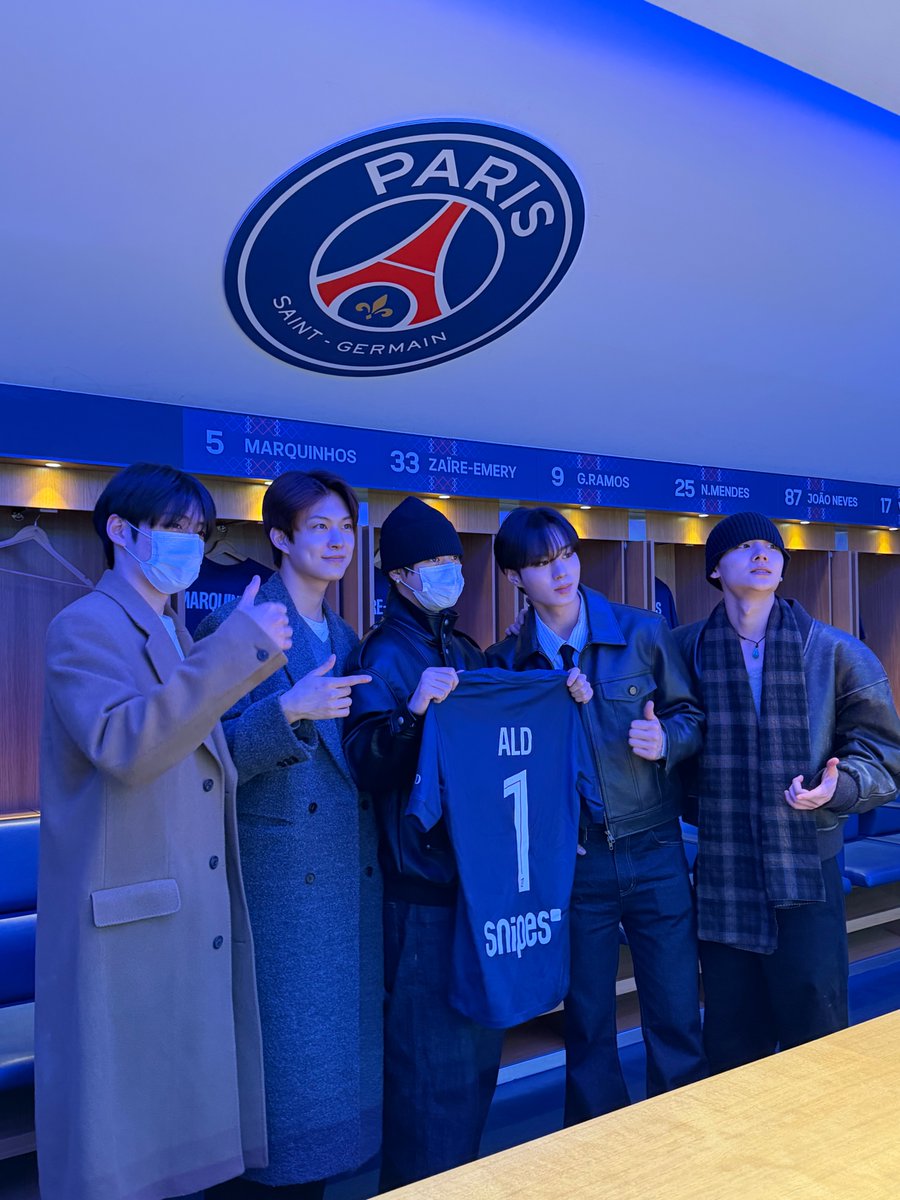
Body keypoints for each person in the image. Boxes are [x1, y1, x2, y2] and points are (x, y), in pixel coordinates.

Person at [35, 462, 291, 1200]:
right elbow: (127, 745)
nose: (190, 543)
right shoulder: (84, 625)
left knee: (180, 1152)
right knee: (127, 1157)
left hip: (177, 907)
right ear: (120, 530)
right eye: (174, 527)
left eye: (198, 531)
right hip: (129, 923)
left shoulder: (171, 627)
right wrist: (235, 649)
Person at [487, 506, 707, 1123]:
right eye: (541, 563)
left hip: (656, 847)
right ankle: (597, 1153)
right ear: (514, 578)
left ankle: (687, 1141)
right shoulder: (506, 663)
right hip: (575, 862)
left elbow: (691, 717)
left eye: (567, 556)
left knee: (676, 1012)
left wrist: (667, 740)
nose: (561, 573)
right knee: (587, 1025)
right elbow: (507, 773)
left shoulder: (643, 631)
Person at [196, 470, 381, 1200]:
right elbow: (201, 757)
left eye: (345, 527)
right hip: (278, 887)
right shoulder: (235, 625)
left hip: (341, 878)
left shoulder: (348, 636)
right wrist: (289, 712)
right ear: (279, 536)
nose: (337, 542)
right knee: (282, 1092)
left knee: (327, 1092)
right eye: (319, 527)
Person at [675, 511, 900, 1072]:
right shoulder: (684, 650)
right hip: (724, 866)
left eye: (771, 548)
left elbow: (883, 752)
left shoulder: (836, 651)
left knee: (816, 1025)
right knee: (730, 1033)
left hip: (808, 860)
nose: (762, 554)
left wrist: (841, 786)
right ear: (714, 569)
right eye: (744, 547)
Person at [342, 496, 504, 1192]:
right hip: (418, 898)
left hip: (474, 890)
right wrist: (412, 711)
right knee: (425, 1081)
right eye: (431, 561)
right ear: (399, 576)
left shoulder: (462, 648)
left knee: (473, 1069)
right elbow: (366, 764)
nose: (448, 571)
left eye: (452, 559)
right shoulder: (382, 653)